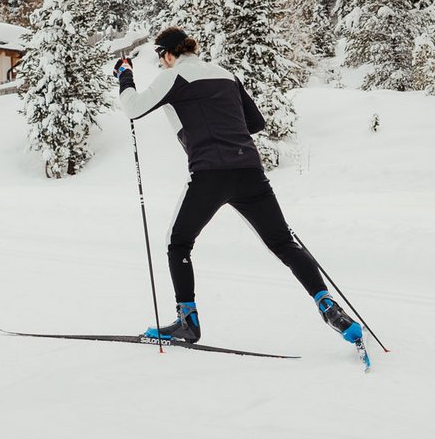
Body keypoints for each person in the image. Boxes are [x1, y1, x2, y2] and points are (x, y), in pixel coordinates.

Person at [114, 27, 361, 350]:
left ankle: (187, 321)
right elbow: (255, 123)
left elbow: (132, 108)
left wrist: (125, 74)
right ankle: (328, 305)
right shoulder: (225, 74)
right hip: (249, 172)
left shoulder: (174, 76)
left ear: (168, 54)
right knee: (284, 243)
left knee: (178, 243)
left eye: (161, 59)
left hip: (209, 175)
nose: (162, 65)